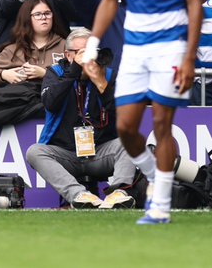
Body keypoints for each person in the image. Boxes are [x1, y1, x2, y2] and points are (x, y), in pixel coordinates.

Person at [80, 0, 201, 225]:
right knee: (125, 127)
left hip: (171, 48)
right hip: (134, 49)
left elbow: (195, 4)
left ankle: (160, 202)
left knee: (162, 125)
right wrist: (92, 42)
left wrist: (189, 57)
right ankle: (153, 173)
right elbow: (109, 0)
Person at [27, 28, 137, 209]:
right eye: (81, 52)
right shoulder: (55, 73)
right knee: (34, 152)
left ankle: (118, 194)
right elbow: (50, 103)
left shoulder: (108, 75)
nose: (87, 58)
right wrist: (73, 72)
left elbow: (124, 116)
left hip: (100, 152)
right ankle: (80, 195)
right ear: (68, 55)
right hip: (67, 153)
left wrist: (100, 82)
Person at [0, 0, 65, 89]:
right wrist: (4, 74)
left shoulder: (65, 46)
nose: (44, 17)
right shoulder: (14, 49)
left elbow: (76, 75)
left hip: (57, 97)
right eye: (38, 14)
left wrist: (45, 74)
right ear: (27, 18)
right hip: (23, 97)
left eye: (47, 13)